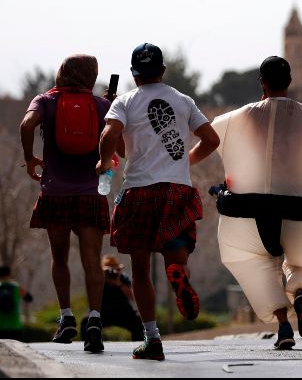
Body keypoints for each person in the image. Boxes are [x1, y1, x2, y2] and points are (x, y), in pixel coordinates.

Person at [199, 56, 302, 350]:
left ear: (262, 82)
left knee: (253, 262)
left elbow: (206, 140)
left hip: (248, 214)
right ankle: (300, 293)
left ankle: (283, 323)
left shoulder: (237, 118)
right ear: (290, 81)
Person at [97, 43, 220, 360]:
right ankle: (177, 273)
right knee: (175, 253)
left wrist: (103, 160)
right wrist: (185, 162)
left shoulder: (124, 102)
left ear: (134, 75)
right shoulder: (183, 100)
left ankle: (152, 339)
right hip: (176, 188)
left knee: (139, 267)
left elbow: (111, 138)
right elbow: (211, 140)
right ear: (162, 71)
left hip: (139, 190)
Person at [19, 54, 112, 352]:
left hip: (55, 193)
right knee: (92, 260)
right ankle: (95, 320)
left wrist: (29, 157)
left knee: (59, 257)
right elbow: (118, 144)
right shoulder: (100, 105)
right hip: (90, 193)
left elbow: (26, 124)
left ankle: (66, 317)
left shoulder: (46, 100)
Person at [80, 256, 144, 341]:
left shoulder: (123, 278)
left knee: (138, 320)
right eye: (109, 271)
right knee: (86, 321)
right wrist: (103, 281)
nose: (112, 273)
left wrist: (119, 284)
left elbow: (132, 297)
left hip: (122, 312)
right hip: (102, 312)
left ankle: (138, 344)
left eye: (115, 270)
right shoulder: (99, 281)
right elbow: (91, 297)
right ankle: (90, 343)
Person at [0, 266, 34, 340]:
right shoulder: (16, 287)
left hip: (1, 326)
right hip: (15, 325)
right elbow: (29, 298)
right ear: (9, 274)